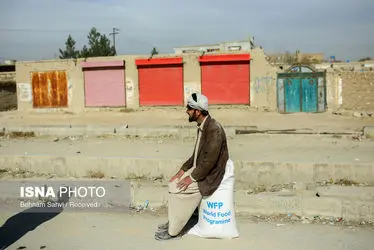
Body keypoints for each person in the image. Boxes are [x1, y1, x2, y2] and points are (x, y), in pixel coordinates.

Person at [154, 92, 229, 241]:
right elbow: (195, 155)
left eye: (189, 108)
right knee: (173, 183)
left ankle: (174, 232)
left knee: (177, 189)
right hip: (201, 170)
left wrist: (191, 178)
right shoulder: (203, 126)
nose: (186, 111)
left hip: (210, 175)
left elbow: (209, 162)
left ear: (198, 111)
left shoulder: (214, 129)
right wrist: (182, 171)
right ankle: (174, 222)